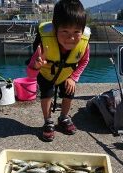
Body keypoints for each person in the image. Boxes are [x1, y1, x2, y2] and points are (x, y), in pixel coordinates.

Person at [27, 0, 90, 142]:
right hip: (46, 74)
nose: (71, 37)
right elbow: (30, 74)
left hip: (67, 75)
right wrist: (37, 65)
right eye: (65, 31)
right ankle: (48, 121)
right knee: (46, 95)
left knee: (69, 94)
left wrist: (74, 77)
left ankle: (63, 118)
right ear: (55, 28)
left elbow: (84, 61)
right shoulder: (43, 44)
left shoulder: (84, 44)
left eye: (76, 32)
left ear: (82, 30)